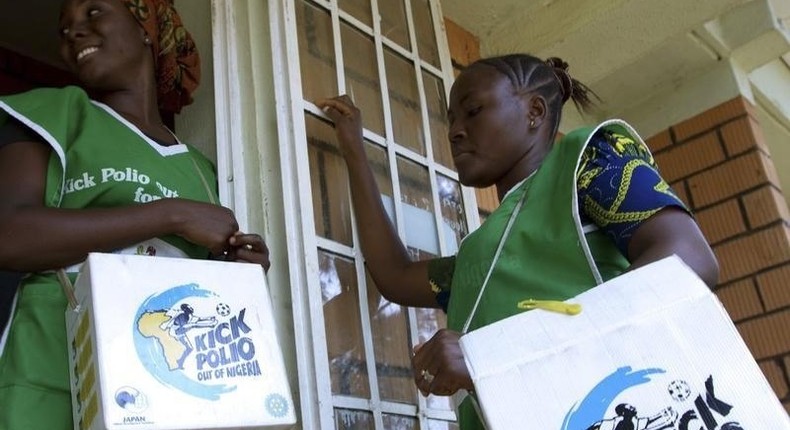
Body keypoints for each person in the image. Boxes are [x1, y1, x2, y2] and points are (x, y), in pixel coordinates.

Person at [317, 53, 718, 429]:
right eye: (451, 119)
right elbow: (395, 275)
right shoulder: (481, 254)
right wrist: (353, 150)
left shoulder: (587, 163)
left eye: (473, 111)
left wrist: (492, 357)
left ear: (534, 112)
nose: (455, 132)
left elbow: (688, 262)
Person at [0, 0, 270, 428]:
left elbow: (195, 296)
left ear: (146, 27)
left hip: (162, 396)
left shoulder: (201, 172)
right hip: (51, 378)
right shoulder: (57, 113)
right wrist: (171, 215)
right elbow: (10, 235)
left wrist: (238, 269)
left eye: (93, 12)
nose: (74, 31)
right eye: (64, 27)